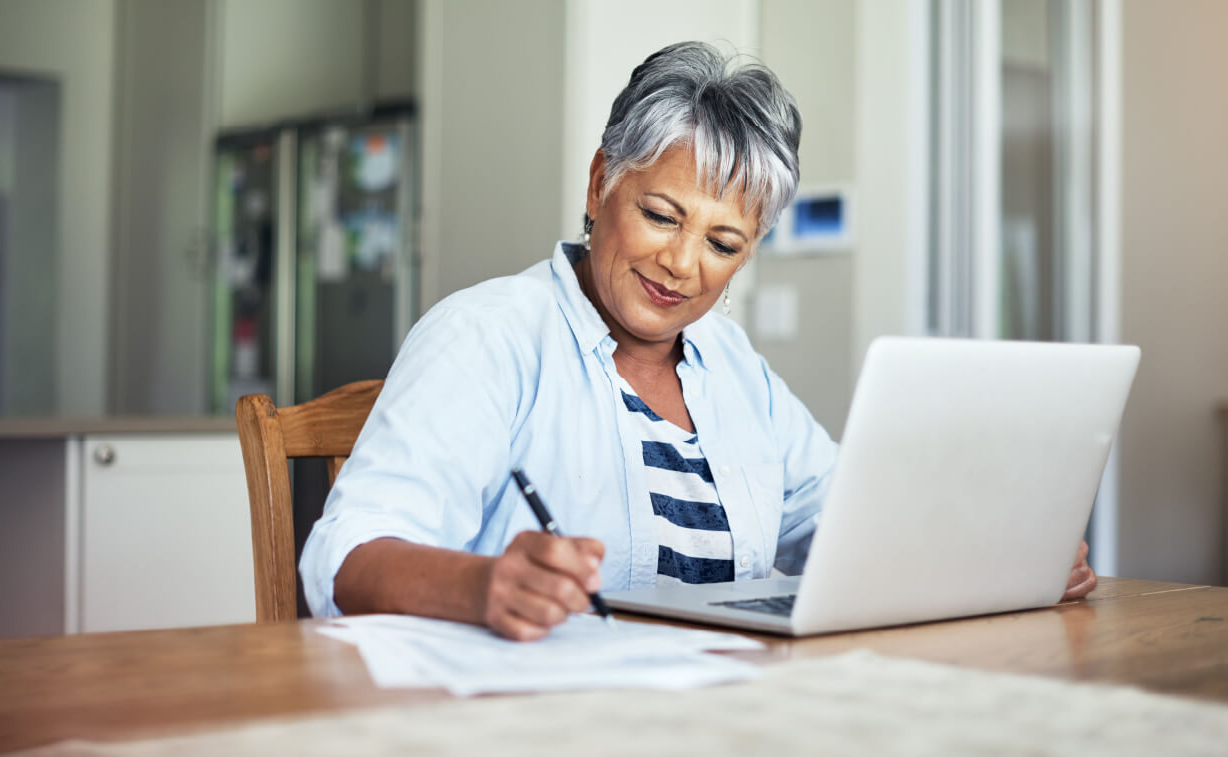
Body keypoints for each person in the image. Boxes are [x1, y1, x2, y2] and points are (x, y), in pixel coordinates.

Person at [299, 41, 1097, 640]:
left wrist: (1002, 553)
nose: (681, 266)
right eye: (660, 215)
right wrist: (482, 586)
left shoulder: (730, 361)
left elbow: (842, 522)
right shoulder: (487, 336)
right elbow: (343, 558)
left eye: (723, 244)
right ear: (599, 182)